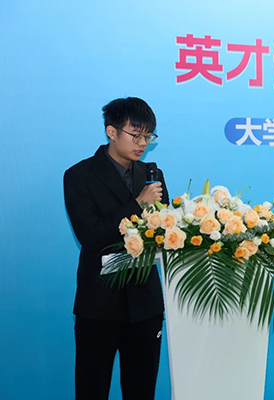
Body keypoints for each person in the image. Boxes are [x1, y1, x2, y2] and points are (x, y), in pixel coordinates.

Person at [63, 97, 169, 399]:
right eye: (136, 135)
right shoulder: (80, 175)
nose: (143, 144)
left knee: (141, 391)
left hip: (145, 305)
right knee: (92, 389)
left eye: (148, 136)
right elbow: (91, 236)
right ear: (111, 132)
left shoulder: (152, 175)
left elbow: (164, 230)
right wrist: (137, 204)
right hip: (100, 304)